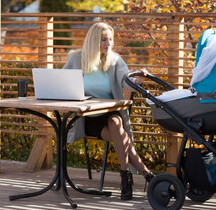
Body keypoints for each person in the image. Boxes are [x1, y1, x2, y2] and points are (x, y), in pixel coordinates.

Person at [63, 22, 154, 200]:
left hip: (108, 114)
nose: (108, 44)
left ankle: (125, 175)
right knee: (121, 134)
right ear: (93, 40)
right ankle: (148, 175)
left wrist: (139, 81)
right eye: (104, 40)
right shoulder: (76, 58)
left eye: (110, 40)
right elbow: (61, 79)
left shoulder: (115, 61)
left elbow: (126, 81)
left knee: (116, 122)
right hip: (85, 117)